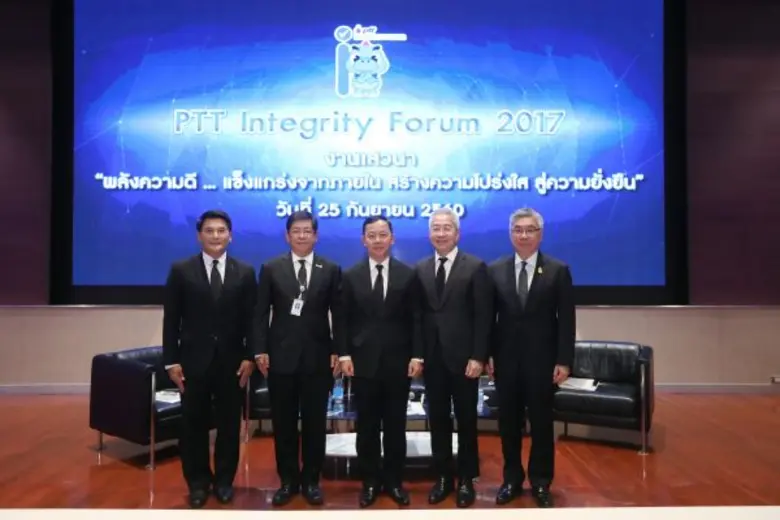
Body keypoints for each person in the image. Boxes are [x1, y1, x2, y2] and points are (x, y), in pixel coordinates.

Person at [161, 209, 257, 509]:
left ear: (230, 235)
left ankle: (225, 481)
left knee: (229, 425)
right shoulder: (181, 270)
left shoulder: (245, 272)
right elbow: (171, 319)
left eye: (221, 230)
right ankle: (198, 483)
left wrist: (250, 357)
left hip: (232, 363)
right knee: (193, 426)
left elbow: (252, 320)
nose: (216, 236)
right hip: (193, 362)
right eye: (210, 230)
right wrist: (171, 361)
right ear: (199, 235)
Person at [252, 210, 342, 506]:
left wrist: (337, 350)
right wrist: (260, 350)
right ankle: (288, 480)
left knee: (315, 424)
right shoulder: (271, 268)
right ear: (287, 235)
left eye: (307, 231)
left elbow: (339, 315)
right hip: (280, 359)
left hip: (318, 359)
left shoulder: (330, 269)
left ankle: (312, 480)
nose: (302, 236)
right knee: (284, 424)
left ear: (316, 236)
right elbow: (260, 313)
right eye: (296, 231)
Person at [487, 207, 575, 508]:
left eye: (530, 230)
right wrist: (488, 354)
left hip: (543, 362)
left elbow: (566, 320)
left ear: (540, 234)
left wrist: (564, 360)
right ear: (511, 234)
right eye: (518, 230)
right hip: (506, 361)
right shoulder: (495, 270)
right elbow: (489, 319)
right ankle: (511, 479)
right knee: (508, 425)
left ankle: (540, 482)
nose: (524, 235)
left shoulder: (557, 270)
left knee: (541, 424)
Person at [338, 215, 424, 508]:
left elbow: (416, 318)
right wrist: (344, 354)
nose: (377, 240)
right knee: (367, 427)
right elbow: (343, 320)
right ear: (364, 240)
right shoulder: (350, 275)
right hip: (362, 363)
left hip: (398, 363)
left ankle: (394, 482)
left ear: (392, 238)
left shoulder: (407, 275)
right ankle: (370, 482)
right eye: (371, 235)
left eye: (382, 234)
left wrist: (417, 355)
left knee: (396, 426)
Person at [415, 207, 493, 508]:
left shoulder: (475, 267)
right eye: (436, 228)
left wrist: (478, 356)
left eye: (446, 228)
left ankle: (466, 480)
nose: (441, 233)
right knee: (437, 421)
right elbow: (418, 317)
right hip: (433, 360)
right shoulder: (420, 268)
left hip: (464, 361)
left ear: (457, 233)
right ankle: (443, 477)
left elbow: (483, 317)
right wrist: (418, 355)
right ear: (429, 234)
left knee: (467, 421)